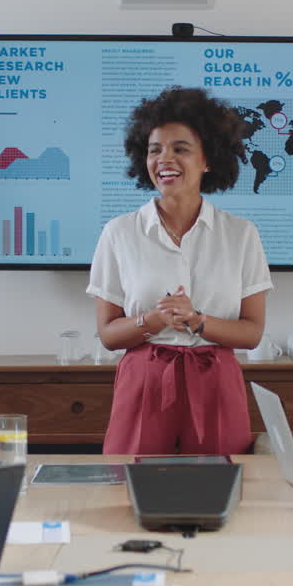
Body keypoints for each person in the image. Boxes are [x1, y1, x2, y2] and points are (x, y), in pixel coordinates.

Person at [88, 87, 273, 455]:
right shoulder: (118, 232)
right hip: (144, 379)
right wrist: (153, 320)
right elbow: (108, 334)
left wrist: (197, 320)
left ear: (208, 160)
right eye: (154, 149)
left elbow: (251, 332)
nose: (164, 159)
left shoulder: (241, 234)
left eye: (180, 149)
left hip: (215, 379)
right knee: (128, 490)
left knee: (220, 494)